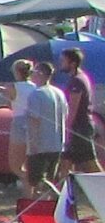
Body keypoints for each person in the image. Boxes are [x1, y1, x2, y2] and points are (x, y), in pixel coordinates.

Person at [21, 60, 68, 196]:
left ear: (41, 74)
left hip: (41, 144)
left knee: (36, 179)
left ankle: (57, 197)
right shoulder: (59, 93)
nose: (31, 75)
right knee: (50, 177)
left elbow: (34, 119)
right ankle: (48, 206)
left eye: (34, 72)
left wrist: (33, 143)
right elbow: (65, 115)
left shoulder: (36, 94)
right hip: (57, 143)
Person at [58, 47, 99, 174]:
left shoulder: (77, 81)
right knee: (65, 164)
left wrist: (66, 129)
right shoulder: (79, 78)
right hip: (78, 127)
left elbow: (73, 108)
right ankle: (64, 193)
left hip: (80, 128)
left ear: (73, 64)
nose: (61, 64)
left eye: (63, 61)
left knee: (90, 165)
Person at [7, 59, 39, 192]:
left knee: (15, 164)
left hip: (19, 122)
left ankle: (28, 181)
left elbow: (11, 103)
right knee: (28, 161)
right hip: (33, 122)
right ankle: (29, 192)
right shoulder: (35, 87)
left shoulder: (13, 87)